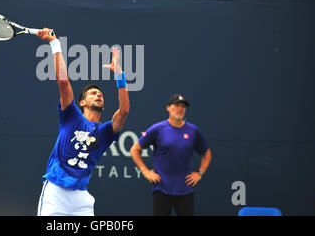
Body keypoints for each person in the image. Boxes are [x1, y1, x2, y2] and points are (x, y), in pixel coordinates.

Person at [36, 28, 130, 216]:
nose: (99, 95)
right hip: (56, 192)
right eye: (93, 93)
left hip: (82, 198)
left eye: (101, 94)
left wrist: (119, 73)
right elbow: (63, 82)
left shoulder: (105, 132)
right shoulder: (71, 115)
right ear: (82, 102)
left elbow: (124, 110)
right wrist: (55, 44)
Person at [130, 94, 212, 216]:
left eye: (183, 106)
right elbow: (134, 149)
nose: (180, 109)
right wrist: (145, 171)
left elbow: (207, 153)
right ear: (168, 108)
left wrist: (200, 172)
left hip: (186, 190)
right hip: (161, 189)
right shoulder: (157, 129)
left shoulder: (193, 131)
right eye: (176, 105)